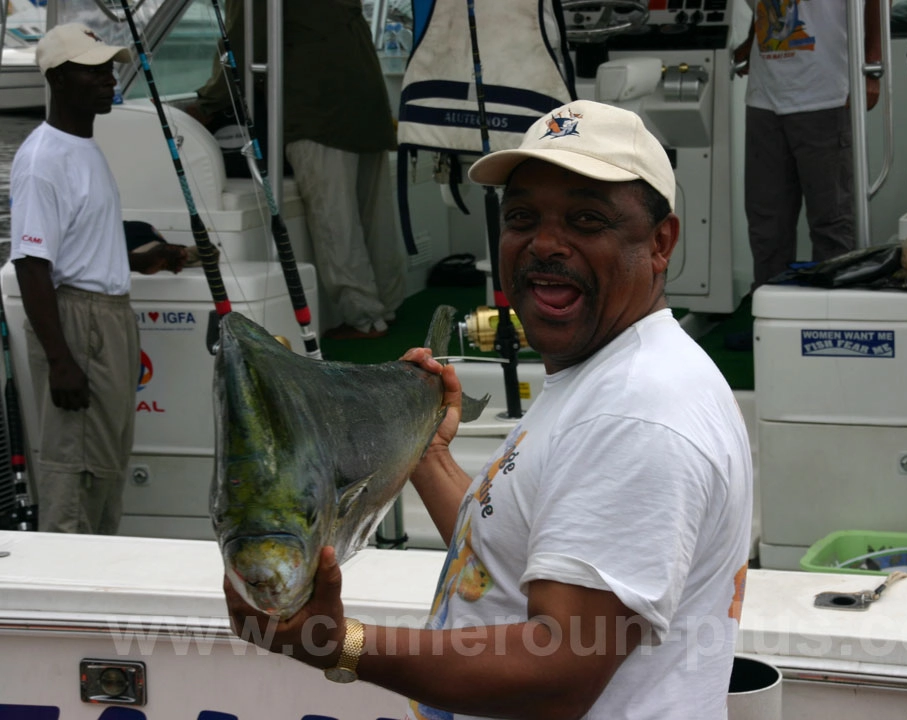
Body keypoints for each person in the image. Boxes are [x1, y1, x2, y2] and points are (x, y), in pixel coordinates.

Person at [223, 100, 754, 719]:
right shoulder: (604, 376)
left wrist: (341, 646)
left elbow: (559, 668)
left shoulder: (635, 411)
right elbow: (506, 559)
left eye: (586, 219)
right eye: (523, 217)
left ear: (660, 242)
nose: (546, 244)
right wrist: (428, 451)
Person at [9, 23, 190, 534]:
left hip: (109, 319)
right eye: (96, 70)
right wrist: (61, 360)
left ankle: (98, 567)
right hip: (79, 322)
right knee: (78, 466)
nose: (111, 79)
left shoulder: (83, 147)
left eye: (110, 68)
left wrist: (145, 257)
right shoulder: (44, 160)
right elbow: (30, 263)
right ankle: (63, 589)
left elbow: (82, 241)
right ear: (61, 78)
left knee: (105, 461)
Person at [186, 0, 406, 340]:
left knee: (335, 221)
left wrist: (207, 103)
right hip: (367, 103)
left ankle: (364, 318)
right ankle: (388, 307)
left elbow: (242, 41)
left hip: (317, 109)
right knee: (374, 216)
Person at [733, 0, 884, 290]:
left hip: (825, 95)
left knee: (833, 222)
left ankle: (834, 318)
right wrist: (752, 42)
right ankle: (771, 318)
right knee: (766, 224)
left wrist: (873, 63)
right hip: (764, 98)